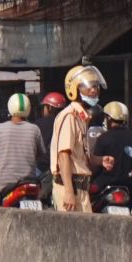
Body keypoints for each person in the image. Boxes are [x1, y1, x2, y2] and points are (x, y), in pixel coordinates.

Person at [50, 64, 106, 213]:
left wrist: (100, 160)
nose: (93, 90)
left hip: (81, 188)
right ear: (73, 90)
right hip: (70, 187)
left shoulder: (82, 118)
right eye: (87, 86)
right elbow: (63, 155)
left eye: (95, 86)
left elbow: (79, 157)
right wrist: (68, 191)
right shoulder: (69, 116)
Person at [0, 93, 45, 205]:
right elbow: (40, 153)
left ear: (10, 107)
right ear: (28, 109)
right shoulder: (35, 130)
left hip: (1, 186)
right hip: (27, 183)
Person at [91, 101, 132, 199]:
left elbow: (96, 165)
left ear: (109, 118)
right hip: (130, 187)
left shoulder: (103, 138)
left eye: (106, 117)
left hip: (104, 185)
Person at [35, 92, 67, 171]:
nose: (43, 110)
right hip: (62, 166)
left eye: (44, 107)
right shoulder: (67, 123)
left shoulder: (38, 124)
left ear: (50, 107)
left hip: (41, 167)